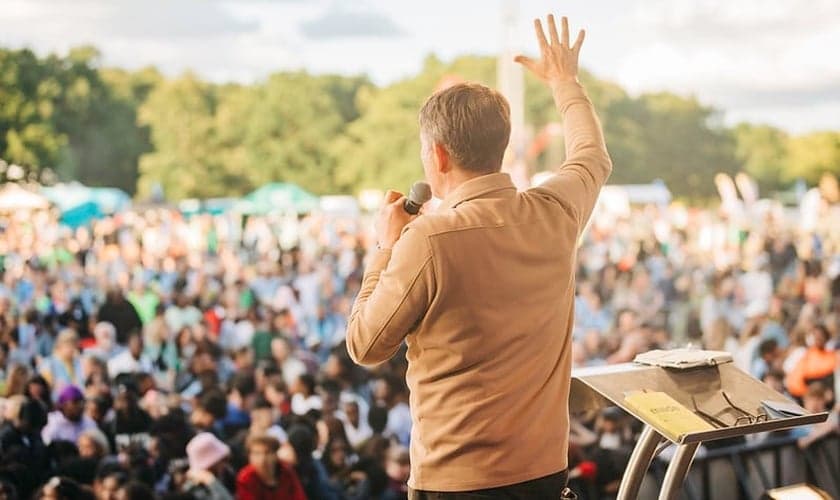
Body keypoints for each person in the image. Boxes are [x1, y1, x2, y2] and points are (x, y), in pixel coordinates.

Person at [345, 13, 610, 498]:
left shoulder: (427, 239)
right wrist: (566, 83)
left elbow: (365, 345)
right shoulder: (555, 212)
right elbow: (592, 155)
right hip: (544, 473)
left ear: (439, 156)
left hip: (456, 482)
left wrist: (385, 248)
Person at [235, 434, 306, 500]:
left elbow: (299, 496)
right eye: (256, 453)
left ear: (275, 455)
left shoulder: (287, 471)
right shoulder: (245, 478)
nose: (263, 458)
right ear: (249, 456)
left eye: (267, 453)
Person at [183, 432, 235, 500]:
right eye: (222, 460)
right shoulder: (195, 489)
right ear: (210, 466)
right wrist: (211, 481)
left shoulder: (227, 475)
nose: (225, 465)